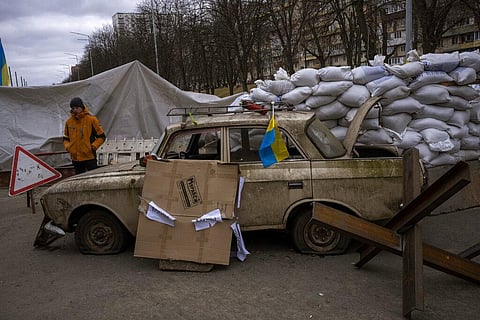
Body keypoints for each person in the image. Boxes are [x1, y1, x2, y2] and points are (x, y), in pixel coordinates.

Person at [63, 97, 106, 174]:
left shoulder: (92, 120)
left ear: (82, 107)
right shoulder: (68, 122)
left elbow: (102, 136)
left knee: (93, 178)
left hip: (89, 157)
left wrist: (93, 147)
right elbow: (66, 138)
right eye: (73, 108)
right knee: (79, 181)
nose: (75, 110)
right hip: (75, 158)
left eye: (77, 107)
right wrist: (68, 147)